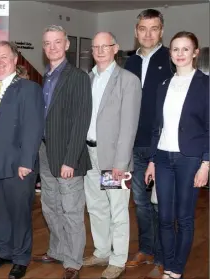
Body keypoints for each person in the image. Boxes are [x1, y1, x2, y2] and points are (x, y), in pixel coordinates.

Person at [0, 41, 44, 279]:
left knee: (20, 213)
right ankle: (4, 251)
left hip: (18, 165)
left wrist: (27, 162)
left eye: (4, 57)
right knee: (0, 212)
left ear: (15, 60)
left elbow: (33, 129)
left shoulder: (28, 88)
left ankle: (21, 258)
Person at [145, 31, 209, 279]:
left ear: (195, 52)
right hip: (162, 158)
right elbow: (156, 127)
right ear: (170, 54)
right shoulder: (163, 85)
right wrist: (151, 160)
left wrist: (206, 164)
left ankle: (177, 269)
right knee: (164, 217)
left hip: (190, 160)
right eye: (175, 49)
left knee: (184, 218)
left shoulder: (205, 84)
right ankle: (168, 263)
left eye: (185, 49)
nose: (180, 54)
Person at [32, 25, 92, 279]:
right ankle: (57, 250)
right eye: (48, 43)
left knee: (71, 210)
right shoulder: (45, 78)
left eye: (57, 42)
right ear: (44, 48)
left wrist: (70, 160)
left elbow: (81, 121)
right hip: (45, 152)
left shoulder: (77, 76)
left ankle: (73, 262)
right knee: (50, 206)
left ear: (67, 45)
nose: (52, 47)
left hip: (68, 157)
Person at [81, 32, 142, 279]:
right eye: (95, 46)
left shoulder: (128, 80)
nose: (99, 50)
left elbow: (129, 126)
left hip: (114, 159)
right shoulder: (88, 78)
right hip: (89, 154)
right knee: (95, 207)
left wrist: (120, 164)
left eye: (104, 46)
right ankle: (102, 251)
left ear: (115, 48)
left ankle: (118, 260)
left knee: (117, 210)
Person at [124, 9, 173, 278]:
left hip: (161, 146)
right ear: (136, 31)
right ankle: (146, 249)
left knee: (160, 203)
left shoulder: (170, 59)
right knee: (141, 203)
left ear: (161, 31)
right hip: (133, 145)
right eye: (143, 28)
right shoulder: (129, 62)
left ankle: (165, 256)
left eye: (154, 29)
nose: (148, 34)